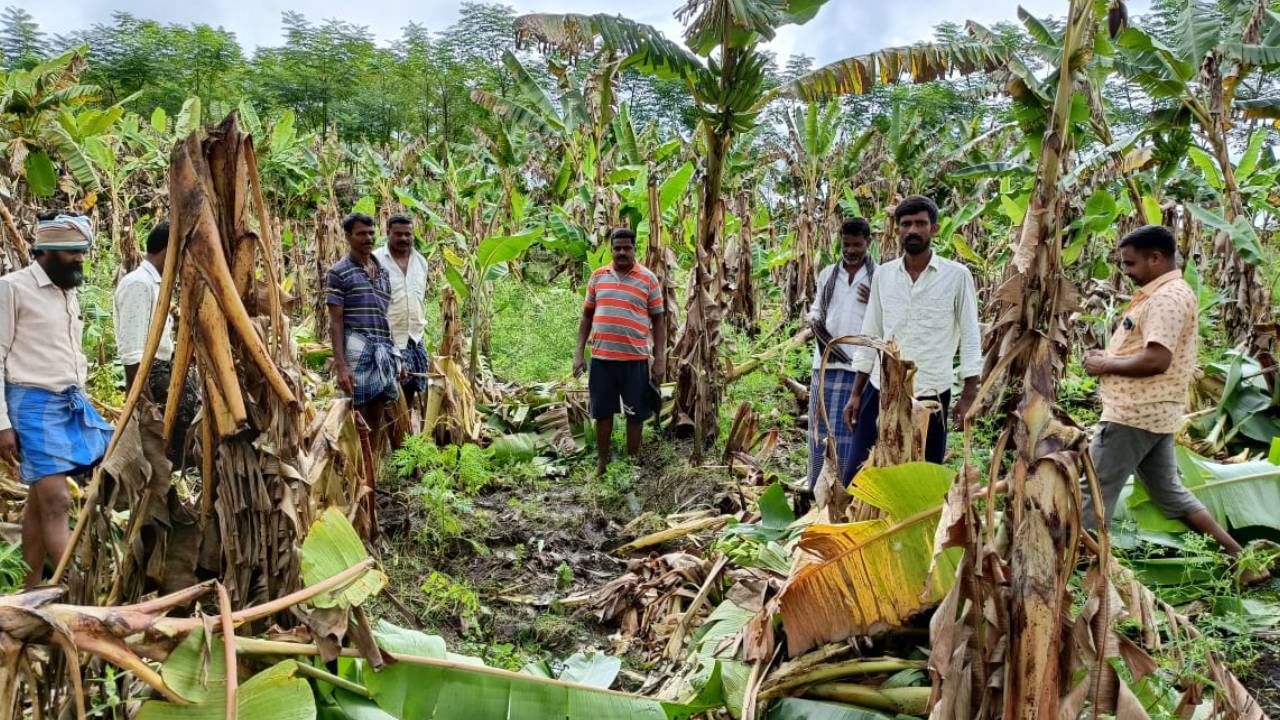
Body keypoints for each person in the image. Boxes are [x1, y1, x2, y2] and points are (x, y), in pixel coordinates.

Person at [1081, 225, 1267, 583]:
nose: (1126, 270)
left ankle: (1077, 570)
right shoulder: (1166, 293)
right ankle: (1240, 560)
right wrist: (1111, 356)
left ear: (1156, 258)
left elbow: (1156, 360)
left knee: (1094, 493)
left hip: (1133, 415)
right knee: (1170, 494)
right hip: (1155, 414)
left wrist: (1106, 363)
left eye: (1131, 263)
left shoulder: (1167, 298)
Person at [0, 213, 114, 588]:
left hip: (67, 401)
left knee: (39, 502)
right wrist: (2, 424)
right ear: (45, 251)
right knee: (57, 502)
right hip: (31, 405)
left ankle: (29, 592)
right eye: (71, 254)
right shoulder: (12, 289)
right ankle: (78, 594)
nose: (80, 259)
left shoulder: (69, 292)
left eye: (83, 252)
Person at [843, 195, 981, 484]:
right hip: (883, 390)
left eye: (920, 223)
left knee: (923, 480)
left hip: (931, 394)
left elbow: (970, 335)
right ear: (897, 230)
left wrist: (970, 393)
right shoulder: (884, 275)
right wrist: (857, 392)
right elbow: (872, 333)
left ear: (935, 229)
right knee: (858, 472)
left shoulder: (957, 276)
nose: (912, 230)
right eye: (905, 224)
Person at [573, 228, 666, 477]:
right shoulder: (597, 277)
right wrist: (579, 354)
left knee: (635, 414)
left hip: (635, 360)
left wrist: (660, 360)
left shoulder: (648, 279)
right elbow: (586, 317)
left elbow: (659, 322)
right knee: (603, 413)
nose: (622, 252)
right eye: (617, 248)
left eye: (627, 248)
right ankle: (602, 464)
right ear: (611, 249)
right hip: (602, 359)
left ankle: (631, 464)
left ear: (635, 249)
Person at [113, 221, 198, 460]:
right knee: (172, 443)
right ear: (169, 252)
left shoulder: (154, 284)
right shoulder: (138, 284)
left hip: (161, 369)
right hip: (150, 374)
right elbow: (131, 350)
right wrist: (144, 399)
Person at [806, 218, 875, 491]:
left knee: (850, 432)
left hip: (859, 367)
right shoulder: (828, 274)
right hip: (824, 363)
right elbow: (816, 310)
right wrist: (814, 322)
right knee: (819, 431)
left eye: (857, 244)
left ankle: (844, 490)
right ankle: (817, 489)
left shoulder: (877, 277)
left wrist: (874, 299)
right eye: (846, 244)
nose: (851, 250)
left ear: (868, 242)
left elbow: (884, 317)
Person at [327, 212, 401, 442]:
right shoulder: (338, 273)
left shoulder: (383, 274)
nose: (368, 238)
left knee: (378, 410)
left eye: (371, 233)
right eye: (361, 234)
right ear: (348, 237)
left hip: (381, 349)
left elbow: (384, 316)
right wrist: (341, 365)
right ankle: (356, 471)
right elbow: (335, 321)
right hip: (356, 348)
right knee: (357, 413)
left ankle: (372, 470)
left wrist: (395, 354)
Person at [373, 214, 429, 411]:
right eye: (398, 234)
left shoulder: (421, 263)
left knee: (412, 388)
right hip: (388, 338)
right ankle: (388, 436)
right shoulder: (375, 261)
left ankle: (406, 436)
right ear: (387, 233)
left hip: (415, 337)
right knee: (387, 393)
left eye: (408, 234)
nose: (404, 238)